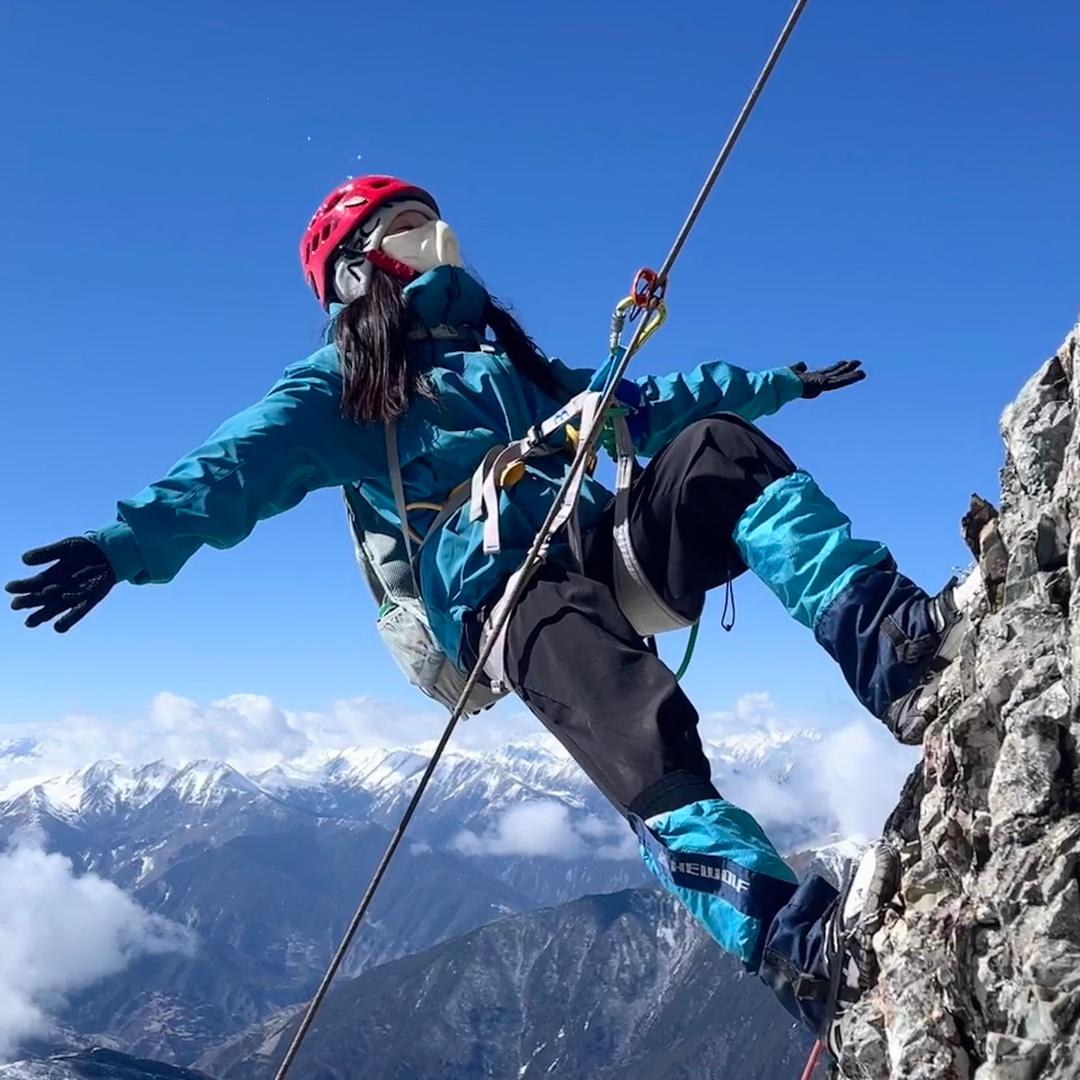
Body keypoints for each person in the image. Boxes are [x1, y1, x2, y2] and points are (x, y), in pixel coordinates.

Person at [6, 175, 971, 1046]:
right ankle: (790, 943)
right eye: (408, 228)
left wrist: (775, 387)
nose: (438, 237)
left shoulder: (512, 366)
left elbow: (634, 403)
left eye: (430, 220)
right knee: (641, 720)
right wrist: (122, 545)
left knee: (720, 446)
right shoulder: (346, 389)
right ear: (355, 274)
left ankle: (895, 651)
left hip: (595, 546)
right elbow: (236, 466)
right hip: (498, 596)